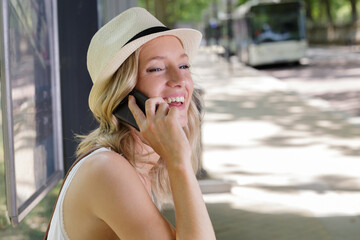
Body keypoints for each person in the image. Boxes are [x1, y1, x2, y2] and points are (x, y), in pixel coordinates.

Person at [45, 7, 216, 240]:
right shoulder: (107, 170)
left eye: (184, 66)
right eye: (156, 68)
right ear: (125, 96)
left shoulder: (136, 168)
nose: (180, 80)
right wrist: (179, 161)